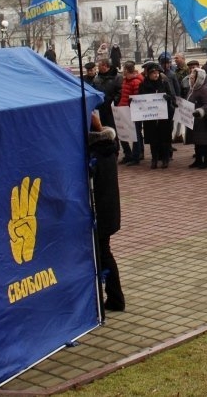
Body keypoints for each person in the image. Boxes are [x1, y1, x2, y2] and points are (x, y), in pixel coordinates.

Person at [88, 111, 123, 311]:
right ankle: (113, 297)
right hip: (108, 210)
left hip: (99, 213)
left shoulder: (95, 154)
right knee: (103, 252)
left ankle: (114, 298)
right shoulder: (108, 147)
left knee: (102, 254)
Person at [138, 63, 175, 169]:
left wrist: (168, 98)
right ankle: (154, 159)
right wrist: (134, 101)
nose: (156, 75)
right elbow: (140, 98)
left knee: (164, 138)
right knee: (153, 139)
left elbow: (172, 96)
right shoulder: (143, 85)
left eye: (157, 73)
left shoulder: (164, 83)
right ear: (148, 74)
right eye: (153, 73)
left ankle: (165, 159)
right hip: (150, 116)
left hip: (164, 115)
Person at [187, 69, 207, 169]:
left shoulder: (204, 89)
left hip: (203, 120)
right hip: (194, 120)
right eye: (190, 77)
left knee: (204, 141)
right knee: (197, 140)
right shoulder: (192, 89)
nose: (191, 79)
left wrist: (200, 111)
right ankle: (198, 160)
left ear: (199, 78)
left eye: (193, 78)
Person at [117, 61, 144, 166]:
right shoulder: (125, 80)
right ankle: (129, 154)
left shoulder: (135, 82)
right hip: (124, 109)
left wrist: (129, 104)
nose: (122, 71)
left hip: (132, 111)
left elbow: (137, 98)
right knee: (122, 132)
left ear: (127, 70)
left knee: (135, 134)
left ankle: (136, 156)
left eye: (123, 69)